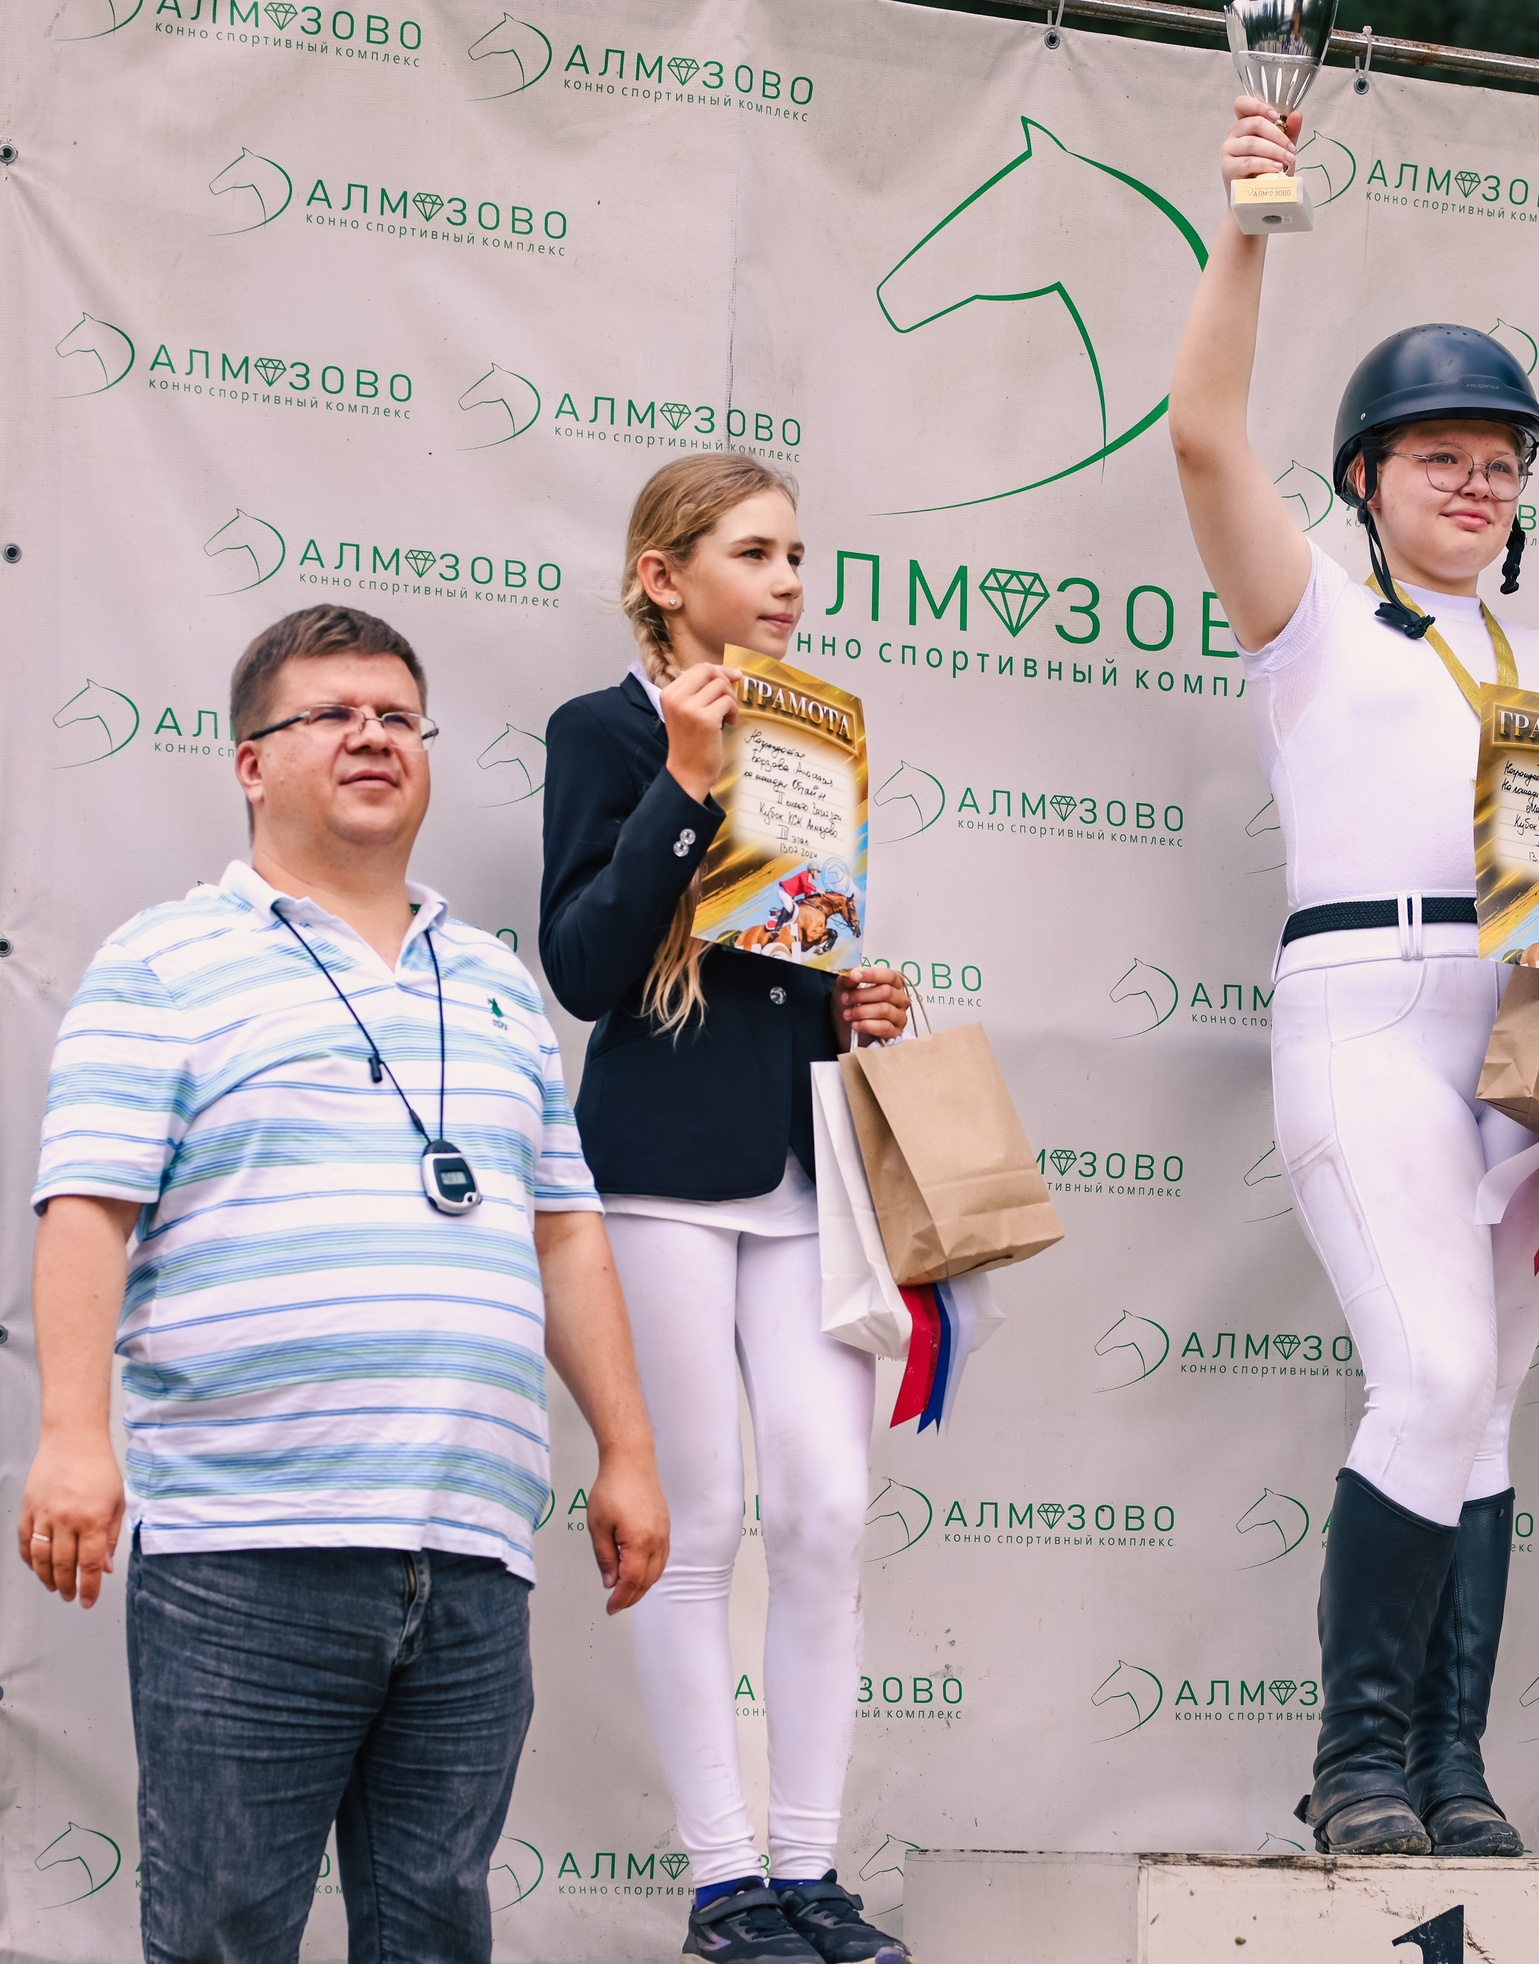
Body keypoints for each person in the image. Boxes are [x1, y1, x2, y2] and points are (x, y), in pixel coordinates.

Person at [20, 605, 670, 1964]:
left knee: (435, 1930)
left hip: (470, 1555)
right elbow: (88, 1207)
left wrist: (627, 1448)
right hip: (249, 1545)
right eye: (331, 714)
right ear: (251, 763)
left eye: (397, 715)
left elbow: (564, 1233)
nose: (373, 736)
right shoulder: (163, 961)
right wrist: (74, 1434)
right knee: (223, 1934)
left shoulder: (496, 984)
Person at [1168, 98, 1539, 1858]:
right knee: (1436, 1372)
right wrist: (1249, 221)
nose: (1474, 480)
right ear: (1366, 478)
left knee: (1490, 1404)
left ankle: (1449, 1770)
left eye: (1500, 459)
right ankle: (1357, 1759)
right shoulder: (1309, 613)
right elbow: (1201, 433)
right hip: (1366, 1007)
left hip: (1526, 1034)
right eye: (1437, 452)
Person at [539, 454, 914, 1963]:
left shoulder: (816, 729)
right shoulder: (604, 731)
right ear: (663, 575)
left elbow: (782, 956)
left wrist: (852, 1002)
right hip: (659, 1175)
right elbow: (584, 968)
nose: (787, 583)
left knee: (824, 1510)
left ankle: (810, 1869)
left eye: (797, 555)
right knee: (696, 1521)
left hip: (801, 1165)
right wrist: (686, 783)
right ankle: (724, 1882)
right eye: (754, 553)